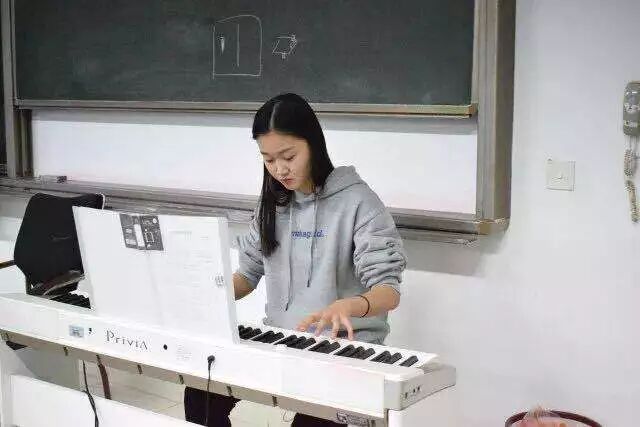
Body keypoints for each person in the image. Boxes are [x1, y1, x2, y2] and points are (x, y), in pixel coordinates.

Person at [184, 93, 406, 426]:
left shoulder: (358, 202)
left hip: (343, 351)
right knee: (201, 392)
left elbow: (388, 291)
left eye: (289, 156)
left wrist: (348, 305)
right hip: (283, 344)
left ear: (313, 144)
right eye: (268, 160)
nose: (280, 169)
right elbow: (247, 275)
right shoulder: (273, 204)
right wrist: (204, 295)